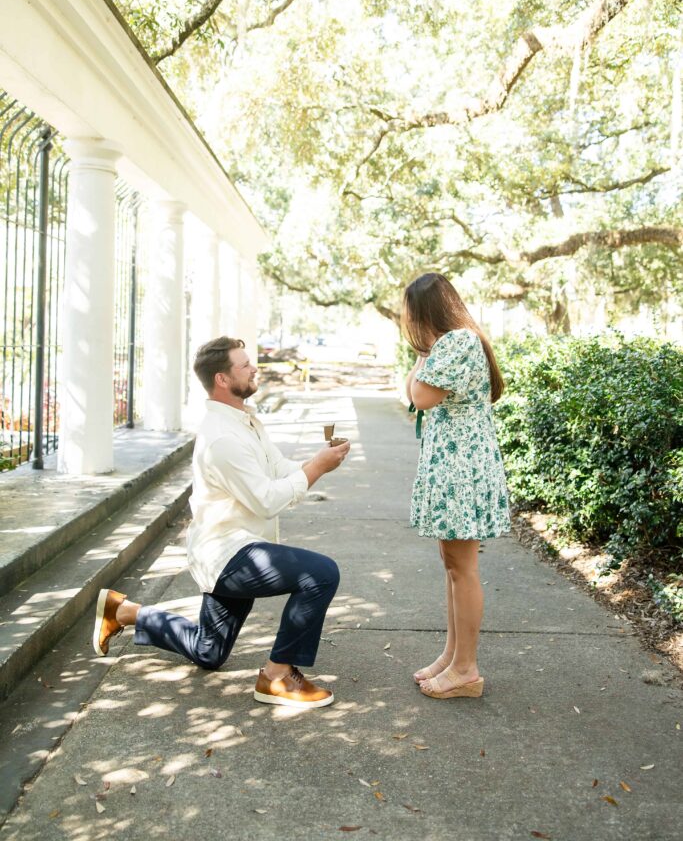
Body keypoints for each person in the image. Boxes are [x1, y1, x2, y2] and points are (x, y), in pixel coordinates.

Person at [93, 335, 350, 710]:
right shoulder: (221, 438)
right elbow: (266, 501)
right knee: (321, 573)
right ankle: (277, 676)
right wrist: (317, 469)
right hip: (228, 553)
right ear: (223, 379)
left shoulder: (245, 421)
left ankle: (124, 611)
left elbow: (279, 469)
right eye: (245, 365)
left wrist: (319, 461)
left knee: (208, 651)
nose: (254, 368)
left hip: (239, 545)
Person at [402, 273, 510, 699]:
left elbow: (420, 398)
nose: (409, 323)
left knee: (462, 569)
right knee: (453, 566)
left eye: (412, 315)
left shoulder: (456, 343)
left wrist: (421, 356)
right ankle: (452, 656)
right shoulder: (450, 344)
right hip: (455, 467)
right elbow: (413, 393)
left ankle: (466, 669)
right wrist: (423, 356)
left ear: (426, 311)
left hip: (461, 469)